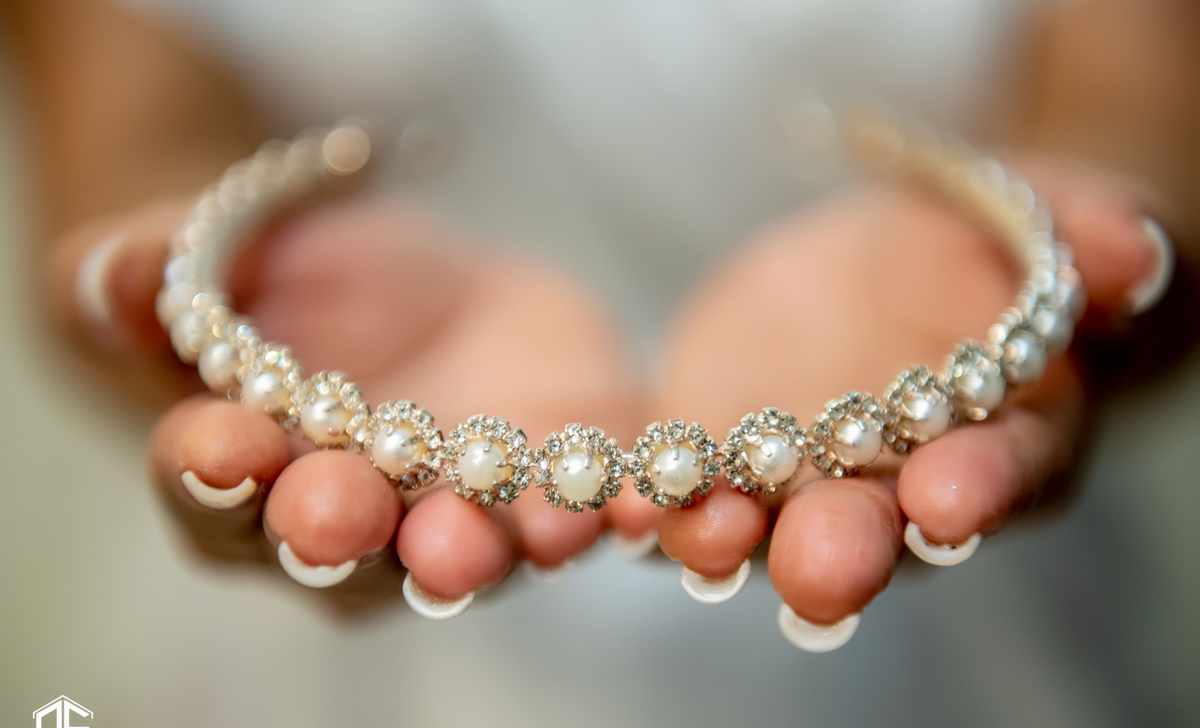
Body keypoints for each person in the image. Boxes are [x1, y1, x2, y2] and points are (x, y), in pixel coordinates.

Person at [2, 0, 1196, 632]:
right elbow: (134, 131)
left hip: (978, 645)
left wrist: (1115, 233)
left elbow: (1129, 92)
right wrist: (169, 270)